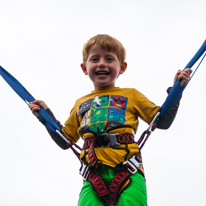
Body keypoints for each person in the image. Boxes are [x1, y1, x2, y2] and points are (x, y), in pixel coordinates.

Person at [29, 34, 192, 206]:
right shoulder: (80, 104)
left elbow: (162, 120)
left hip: (128, 171)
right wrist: (46, 116)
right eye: (95, 59)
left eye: (109, 59)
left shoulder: (131, 95)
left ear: (122, 67)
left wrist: (176, 91)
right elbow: (65, 140)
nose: (101, 63)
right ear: (85, 68)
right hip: (93, 176)